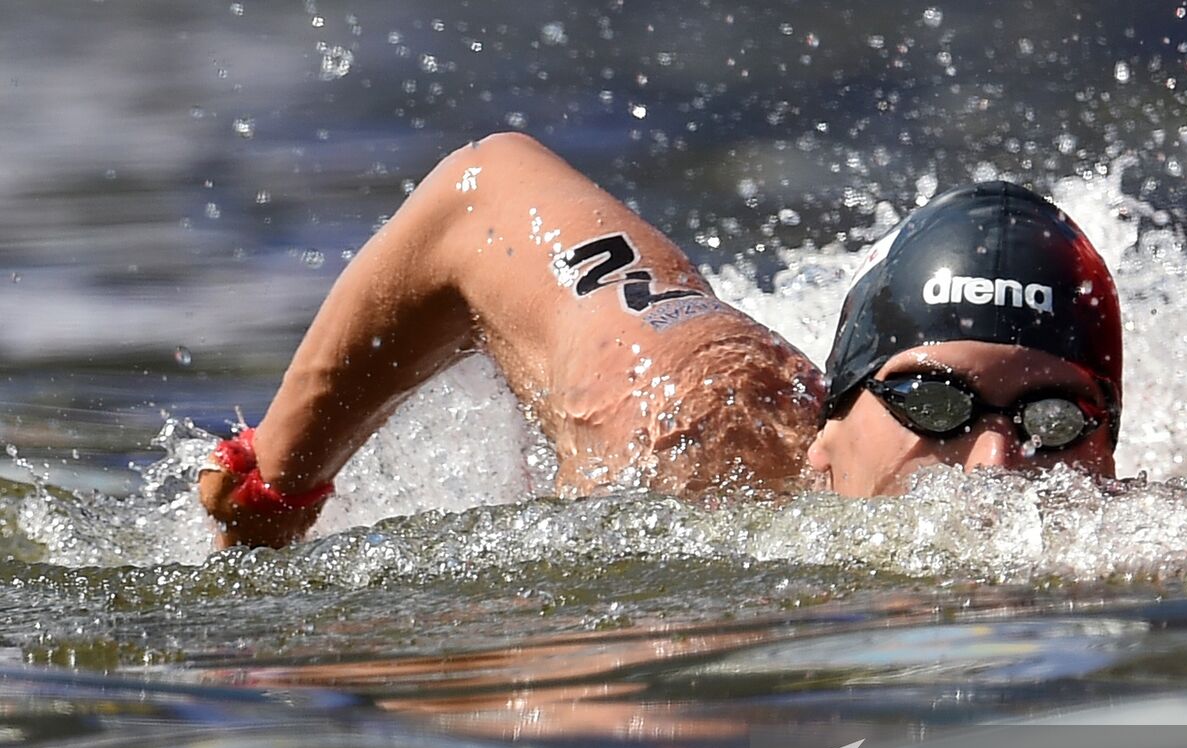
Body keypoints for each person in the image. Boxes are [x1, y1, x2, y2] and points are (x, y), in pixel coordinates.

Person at [199, 132, 1122, 549]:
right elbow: (481, 189)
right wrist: (273, 487)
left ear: (1112, 455)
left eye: (1052, 418)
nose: (997, 465)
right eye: (933, 401)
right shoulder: (681, 440)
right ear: (828, 435)